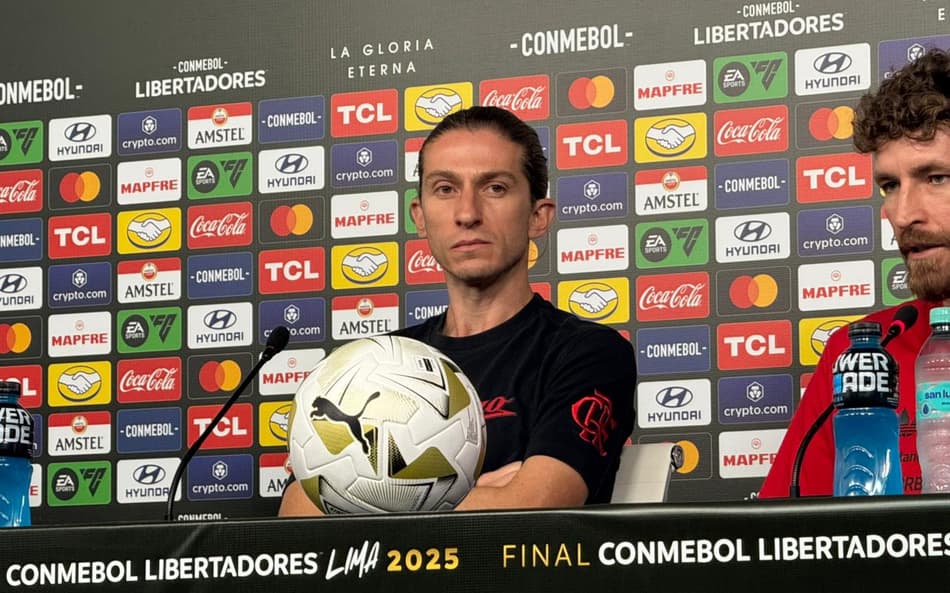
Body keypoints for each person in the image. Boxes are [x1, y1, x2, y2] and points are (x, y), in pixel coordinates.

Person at [279, 106, 636, 514]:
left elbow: (535, 505)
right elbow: (298, 514)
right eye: (445, 189)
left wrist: (369, 503)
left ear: (538, 216)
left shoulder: (588, 354)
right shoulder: (374, 361)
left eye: (495, 188)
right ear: (421, 217)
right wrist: (476, 495)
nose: (467, 214)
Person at [760, 48, 950, 498]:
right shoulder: (862, 354)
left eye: (936, 178)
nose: (902, 214)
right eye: (889, 186)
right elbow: (785, 545)